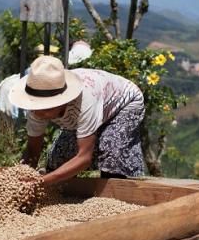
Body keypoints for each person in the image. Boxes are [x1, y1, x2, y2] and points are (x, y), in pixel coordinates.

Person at [9, 55, 145, 186]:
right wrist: (20, 177)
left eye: (46, 108)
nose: (39, 113)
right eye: (35, 107)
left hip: (124, 103)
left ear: (62, 101)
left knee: (112, 154)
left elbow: (84, 157)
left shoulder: (84, 100)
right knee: (58, 160)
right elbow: (33, 150)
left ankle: (114, 194)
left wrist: (42, 182)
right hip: (90, 109)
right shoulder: (35, 106)